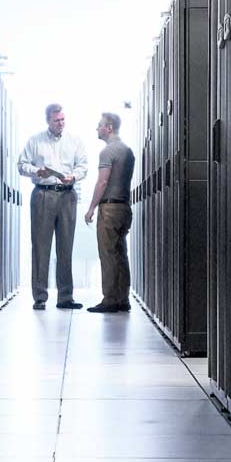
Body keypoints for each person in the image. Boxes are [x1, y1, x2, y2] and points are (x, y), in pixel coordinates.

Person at [16, 103, 90, 310]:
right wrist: (36, 171)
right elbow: (21, 165)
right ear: (48, 120)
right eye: (57, 120)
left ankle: (65, 297)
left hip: (67, 195)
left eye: (63, 119)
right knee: (41, 248)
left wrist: (73, 176)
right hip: (43, 194)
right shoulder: (35, 141)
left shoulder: (75, 141)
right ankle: (40, 297)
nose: (61, 123)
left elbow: (83, 166)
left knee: (65, 248)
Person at [83, 112, 135, 313]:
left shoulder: (108, 152)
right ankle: (123, 298)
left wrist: (91, 208)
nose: (97, 129)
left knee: (108, 254)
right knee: (121, 253)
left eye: (99, 125)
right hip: (124, 208)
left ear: (109, 128)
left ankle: (110, 299)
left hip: (110, 208)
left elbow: (103, 181)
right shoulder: (127, 150)